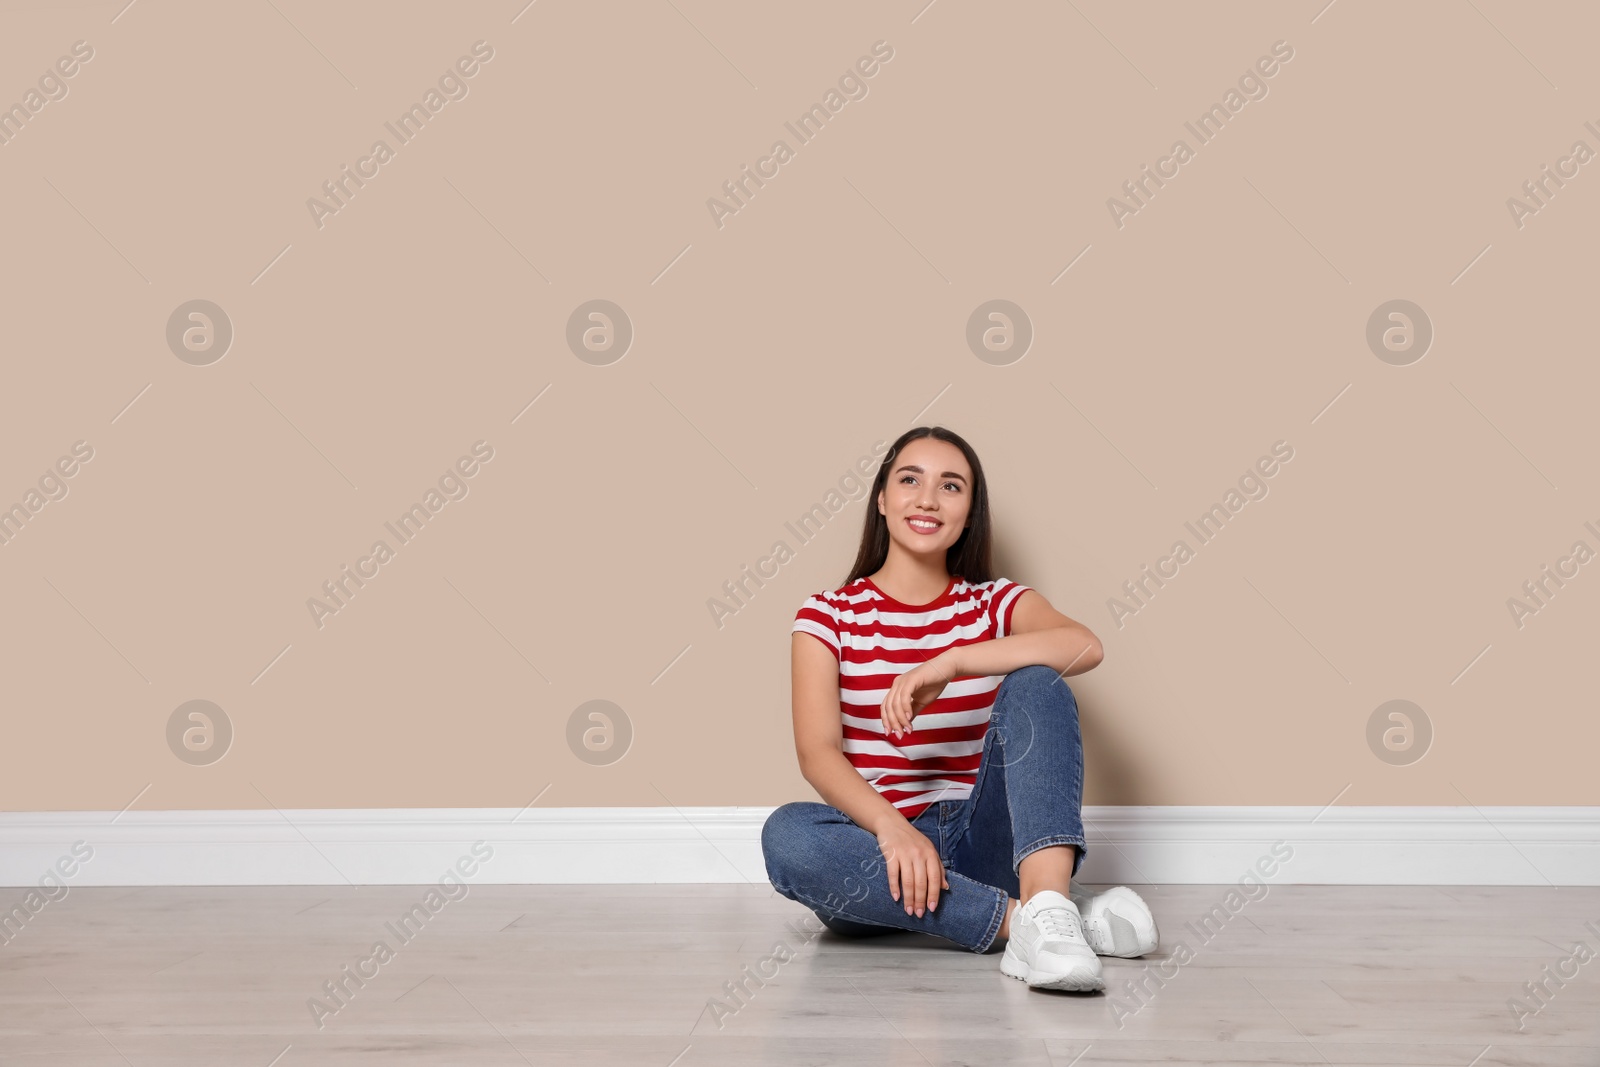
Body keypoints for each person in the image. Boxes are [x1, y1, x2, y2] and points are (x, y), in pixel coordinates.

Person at [761, 426, 1158, 992]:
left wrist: (951, 662)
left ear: (969, 512)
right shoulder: (827, 615)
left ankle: (1042, 902)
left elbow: (1084, 645)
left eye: (951, 486)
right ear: (881, 498)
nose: (927, 499)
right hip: (881, 858)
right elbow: (817, 752)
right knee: (788, 836)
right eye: (909, 480)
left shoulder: (993, 603)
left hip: (984, 840)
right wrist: (893, 831)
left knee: (1040, 684)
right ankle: (1036, 919)